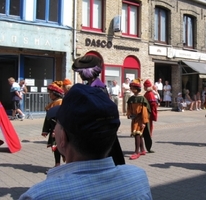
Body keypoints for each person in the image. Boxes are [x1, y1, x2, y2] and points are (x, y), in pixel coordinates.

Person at [19, 84, 152, 200]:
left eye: (57, 123)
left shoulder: (40, 195)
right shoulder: (138, 178)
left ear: (63, 137)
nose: (54, 129)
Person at [72, 52, 125, 165]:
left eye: (81, 72)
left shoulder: (98, 88)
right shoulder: (89, 87)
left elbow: (101, 112)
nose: (80, 75)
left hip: (100, 133)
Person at [41, 81, 64, 173]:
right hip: (54, 128)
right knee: (56, 148)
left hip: (59, 129)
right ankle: (57, 165)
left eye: (50, 93)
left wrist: (56, 129)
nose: (49, 95)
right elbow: (48, 119)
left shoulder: (60, 103)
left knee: (60, 147)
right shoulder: (53, 103)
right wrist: (46, 130)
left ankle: (60, 166)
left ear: (55, 93)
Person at [127, 78, 152, 160]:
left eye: (133, 88)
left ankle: (136, 152)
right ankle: (142, 150)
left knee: (137, 134)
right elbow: (129, 108)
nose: (131, 89)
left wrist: (144, 122)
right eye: (131, 87)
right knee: (138, 135)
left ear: (137, 89)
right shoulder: (131, 99)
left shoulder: (142, 99)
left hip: (140, 119)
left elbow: (144, 111)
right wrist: (129, 114)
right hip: (134, 119)